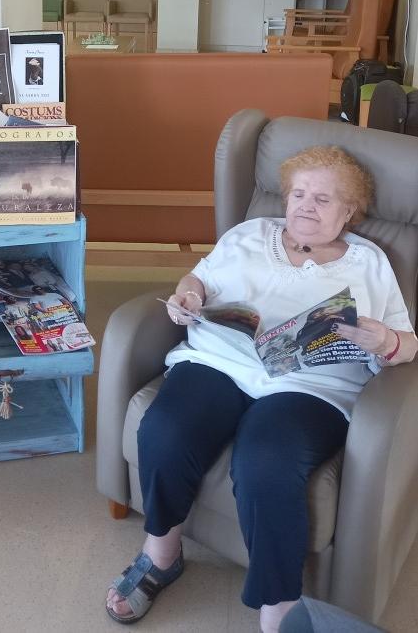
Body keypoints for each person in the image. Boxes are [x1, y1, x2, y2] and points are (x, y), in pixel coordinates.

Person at [105, 145, 416, 632]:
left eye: (323, 199)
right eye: (298, 194)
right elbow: (197, 278)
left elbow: (406, 343)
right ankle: (161, 554)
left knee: (266, 464)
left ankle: (279, 611)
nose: (306, 206)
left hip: (310, 384)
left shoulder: (370, 262)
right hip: (219, 359)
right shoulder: (249, 233)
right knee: (165, 430)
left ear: (349, 211)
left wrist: (386, 341)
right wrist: (188, 296)